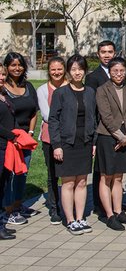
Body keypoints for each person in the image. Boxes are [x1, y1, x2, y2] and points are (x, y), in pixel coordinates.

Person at [48, 54, 97, 235]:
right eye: (73, 69)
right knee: (68, 183)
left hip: (84, 142)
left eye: (80, 69)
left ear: (85, 71)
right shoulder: (61, 93)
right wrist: (57, 144)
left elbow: (95, 117)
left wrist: (93, 142)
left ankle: (80, 217)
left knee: (82, 182)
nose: (77, 73)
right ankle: (69, 220)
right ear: (69, 72)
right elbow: (53, 120)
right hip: (66, 143)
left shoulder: (90, 92)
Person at [95, 57, 126, 230]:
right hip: (107, 137)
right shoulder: (102, 90)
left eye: (121, 71)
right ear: (110, 72)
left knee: (119, 177)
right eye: (115, 71)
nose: (118, 74)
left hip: (125, 137)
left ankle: (119, 211)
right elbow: (106, 117)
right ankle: (109, 215)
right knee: (106, 176)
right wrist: (121, 136)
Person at [1, 53, 38, 226]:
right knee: (8, 175)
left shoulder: (29, 86)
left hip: (24, 139)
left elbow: (33, 112)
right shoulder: (3, 88)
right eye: (13, 65)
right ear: (7, 67)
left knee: (22, 174)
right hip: (9, 139)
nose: (17, 68)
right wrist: (12, 136)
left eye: (20, 65)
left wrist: (30, 133)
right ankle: (8, 211)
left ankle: (17, 205)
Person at [85, 40, 116, 219]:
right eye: (103, 52)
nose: (107, 55)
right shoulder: (93, 77)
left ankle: (112, 200)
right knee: (100, 169)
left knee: (113, 167)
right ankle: (99, 204)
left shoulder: (117, 72)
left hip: (116, 128)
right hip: (100, 127)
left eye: (110, 52)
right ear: (98, 54)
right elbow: (92, 106)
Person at [36, 56, 68, 225]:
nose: (56, 72)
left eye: (59, 69)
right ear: (49, 71)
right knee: (53, 175)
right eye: (53, 69)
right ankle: (54, 208)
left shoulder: (71, 87)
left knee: (69, 175)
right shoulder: (42, 90)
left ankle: (68, 206)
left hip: (71, 138)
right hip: (51, 138)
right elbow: (48, 116)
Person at [0, 64, 18, 239]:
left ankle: (1, 223)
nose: (1, 77)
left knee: (3, 185)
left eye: (3, 74)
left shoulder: (4, 95)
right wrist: (12, 136)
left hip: (6, 146)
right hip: (2, 143)